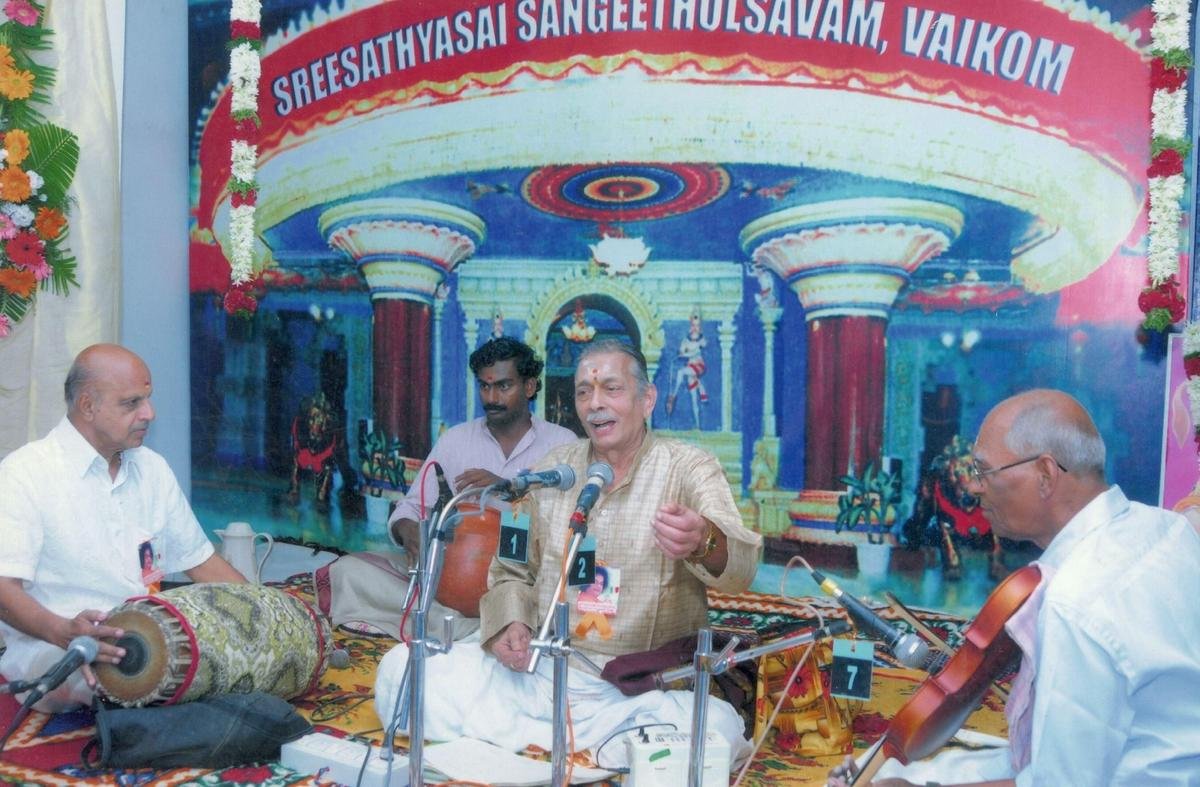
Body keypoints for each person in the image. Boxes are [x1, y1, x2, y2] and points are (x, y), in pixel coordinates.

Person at [375, 339, 763, 768]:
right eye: (583, 392)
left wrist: (703, 540)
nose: (595, 404)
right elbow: (509, 567)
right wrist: (510, 622)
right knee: (402, 671)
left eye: (611, 389)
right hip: (541, 676)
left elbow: (742, 568)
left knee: (716, 733)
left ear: (646, 399)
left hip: (638, 692)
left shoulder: (689, 468)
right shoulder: (550, 473)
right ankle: (595, 750)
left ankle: (557, 741)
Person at [829, 389, 1200, 786]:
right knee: (899, 771)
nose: (974, 487)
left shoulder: (1075, 603)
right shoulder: (1164, 527)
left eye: (984, 471)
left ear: (1044, 474)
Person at [0, 344, 245, 712]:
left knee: (232, 661)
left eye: (147, 400)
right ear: (87, 406)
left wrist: (270, 613)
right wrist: (62, 631)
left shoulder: (152, 468)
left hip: (151, 639)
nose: (149, 413)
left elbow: (202, 562)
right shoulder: (25, 473)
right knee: (127, 674)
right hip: (56, 648)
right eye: (131, 403)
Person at [318, 336, 575, 637]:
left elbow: (574, 525)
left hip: (524, 582)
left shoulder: (562, 444)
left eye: (504, 386)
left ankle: (473, 626)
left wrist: (509, 489)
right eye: (484, 385)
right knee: (348, 571)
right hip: (451, 582)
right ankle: (472, 628)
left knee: (556, 604)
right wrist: (407, 530)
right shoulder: (456, 440)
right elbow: (412, 506)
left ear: (529, 387)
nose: (491, 397)